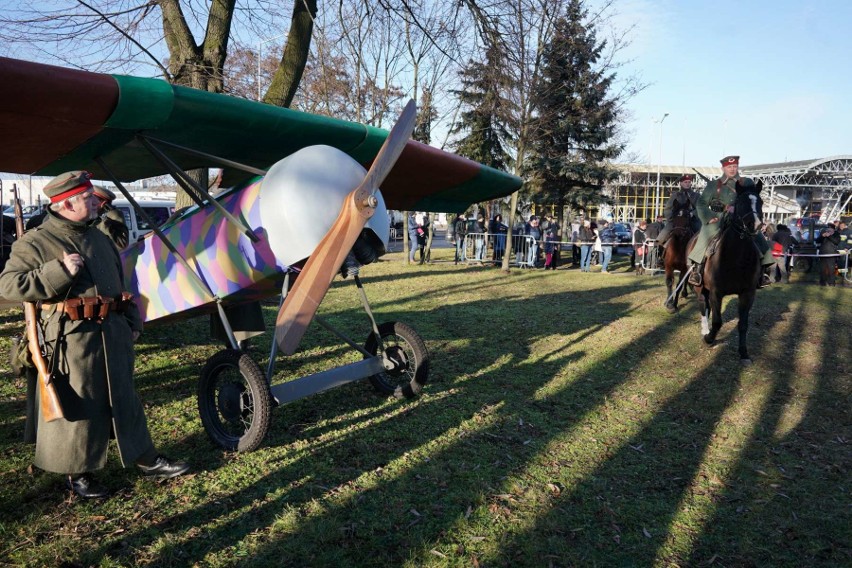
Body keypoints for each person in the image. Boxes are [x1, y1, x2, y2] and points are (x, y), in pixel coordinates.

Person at [0, 171, 188, 499]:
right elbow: (9, 285)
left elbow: (122, 283)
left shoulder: (99, 237)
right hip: (69, 339)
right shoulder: (35, 241)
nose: (94, 204)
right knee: (80, 402)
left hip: (113, 332)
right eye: (88, 199)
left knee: (125, 398)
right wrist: (57, 271)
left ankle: (147, 458)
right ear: (66, 203)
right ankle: (77, 473)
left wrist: (132, 321)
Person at [687, 155, 775, 288]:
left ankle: (763, 272)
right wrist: (709, 217)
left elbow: (753, 198)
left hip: (742, 220)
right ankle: (697, 270)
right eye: (729, 167)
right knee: (705, 235)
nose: (732, 169)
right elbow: (701, 204)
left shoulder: (747, 183)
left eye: (735, 166)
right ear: (723, 168)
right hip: (719, 218)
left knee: (759, 239)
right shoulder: (713, 185)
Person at [657, 174, 700, 249]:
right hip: (677, 220)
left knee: (702, 234)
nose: (687, 184)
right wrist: (673, 217)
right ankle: (659, 254)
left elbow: (700, 208)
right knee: (662, 237)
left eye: (689, 182)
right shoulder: (675, 195)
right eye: (685, 182)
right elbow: (667, 209)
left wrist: (693, 213)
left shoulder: (696, 196)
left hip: (693, 220)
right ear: (681, 183)